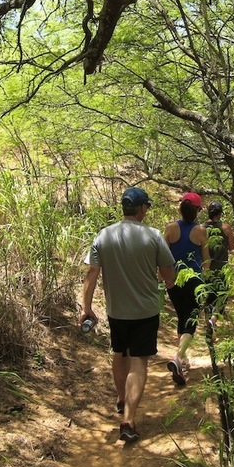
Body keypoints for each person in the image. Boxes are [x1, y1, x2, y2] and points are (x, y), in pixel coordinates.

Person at [80, 186, 175, 444]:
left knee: (119, 352)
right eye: (147, 206)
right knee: (138, 361)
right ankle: (129, 420)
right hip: (145, 311)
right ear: (142, 208)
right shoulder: (154, 237)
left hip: (116, 310)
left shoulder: (104, 235)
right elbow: (169, 275)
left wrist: (86, 308)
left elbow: (91, 273)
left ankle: (121, 397)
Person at [163, 191, 210, 386]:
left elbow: (163, 258)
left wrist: (164, 280)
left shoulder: (170, 229)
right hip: (194, 280)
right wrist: (205, 281)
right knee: (190, 320)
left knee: (182, 316)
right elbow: (206, 260)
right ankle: (178, 357)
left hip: (174, 281)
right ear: (198, 210)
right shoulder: (201, 231)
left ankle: (182, 359)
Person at [203, 200, 234, 324]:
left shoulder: (201, 228)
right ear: (220, 214)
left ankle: (207, 321)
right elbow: (232, 247)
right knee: (222, 294)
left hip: (206, 267)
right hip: (222, 267)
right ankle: (213, 320)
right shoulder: (225, 228)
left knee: (208, 294)